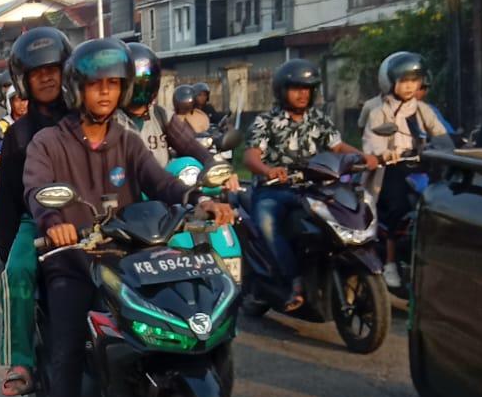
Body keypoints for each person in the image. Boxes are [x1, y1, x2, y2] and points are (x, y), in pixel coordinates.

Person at [24, 38, 233, 397]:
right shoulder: (48, 142)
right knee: (66, 349)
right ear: (78, 88)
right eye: (96, 84)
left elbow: (161, 182)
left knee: (194, 310)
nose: (106, 93)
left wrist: (200, 200)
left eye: (114, 84)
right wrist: (55, 223)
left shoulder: (127, 140)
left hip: (131, 255)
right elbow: (37, 189)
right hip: (74, 260)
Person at [244, 59, 378, 311]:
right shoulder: (266, 121)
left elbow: (337, 147)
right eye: (296, 88)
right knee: (267, 222)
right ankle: (293, 279)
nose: (303, 94)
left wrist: (362, 157)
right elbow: (250, 155)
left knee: (346, 213)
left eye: (307, 89)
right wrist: (268, 170)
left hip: (316, 188)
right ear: (282, 90)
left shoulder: (319, 119)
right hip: (275, 189)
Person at [0, 27, 72, 397]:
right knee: (17, 273)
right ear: (23, 81)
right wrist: (8, 250)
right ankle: (21, 359)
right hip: (35, 220)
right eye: (37, 72)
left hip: (92, 215)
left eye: (53, 68)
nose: (47, 77)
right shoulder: (19, 134)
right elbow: (9, 200)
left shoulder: (84, 117)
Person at [359, 51, 447, 288]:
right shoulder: (379, 111)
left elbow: (439, 132)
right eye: (404, 81)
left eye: (414, 81)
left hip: (421, 166)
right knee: (397, 207)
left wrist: (449, 145)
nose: (410, 87)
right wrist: (385, 153)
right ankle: (389, 263)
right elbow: (372, 141)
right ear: (390, 82)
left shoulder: (422, 109)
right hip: (391, 169)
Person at [122, 47, 218, 171]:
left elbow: (189, 144)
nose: (141, 87)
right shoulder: (114, 119)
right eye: (137, 82)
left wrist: (212, 164)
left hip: (160, 185)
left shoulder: (161, 115)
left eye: (146, 81)